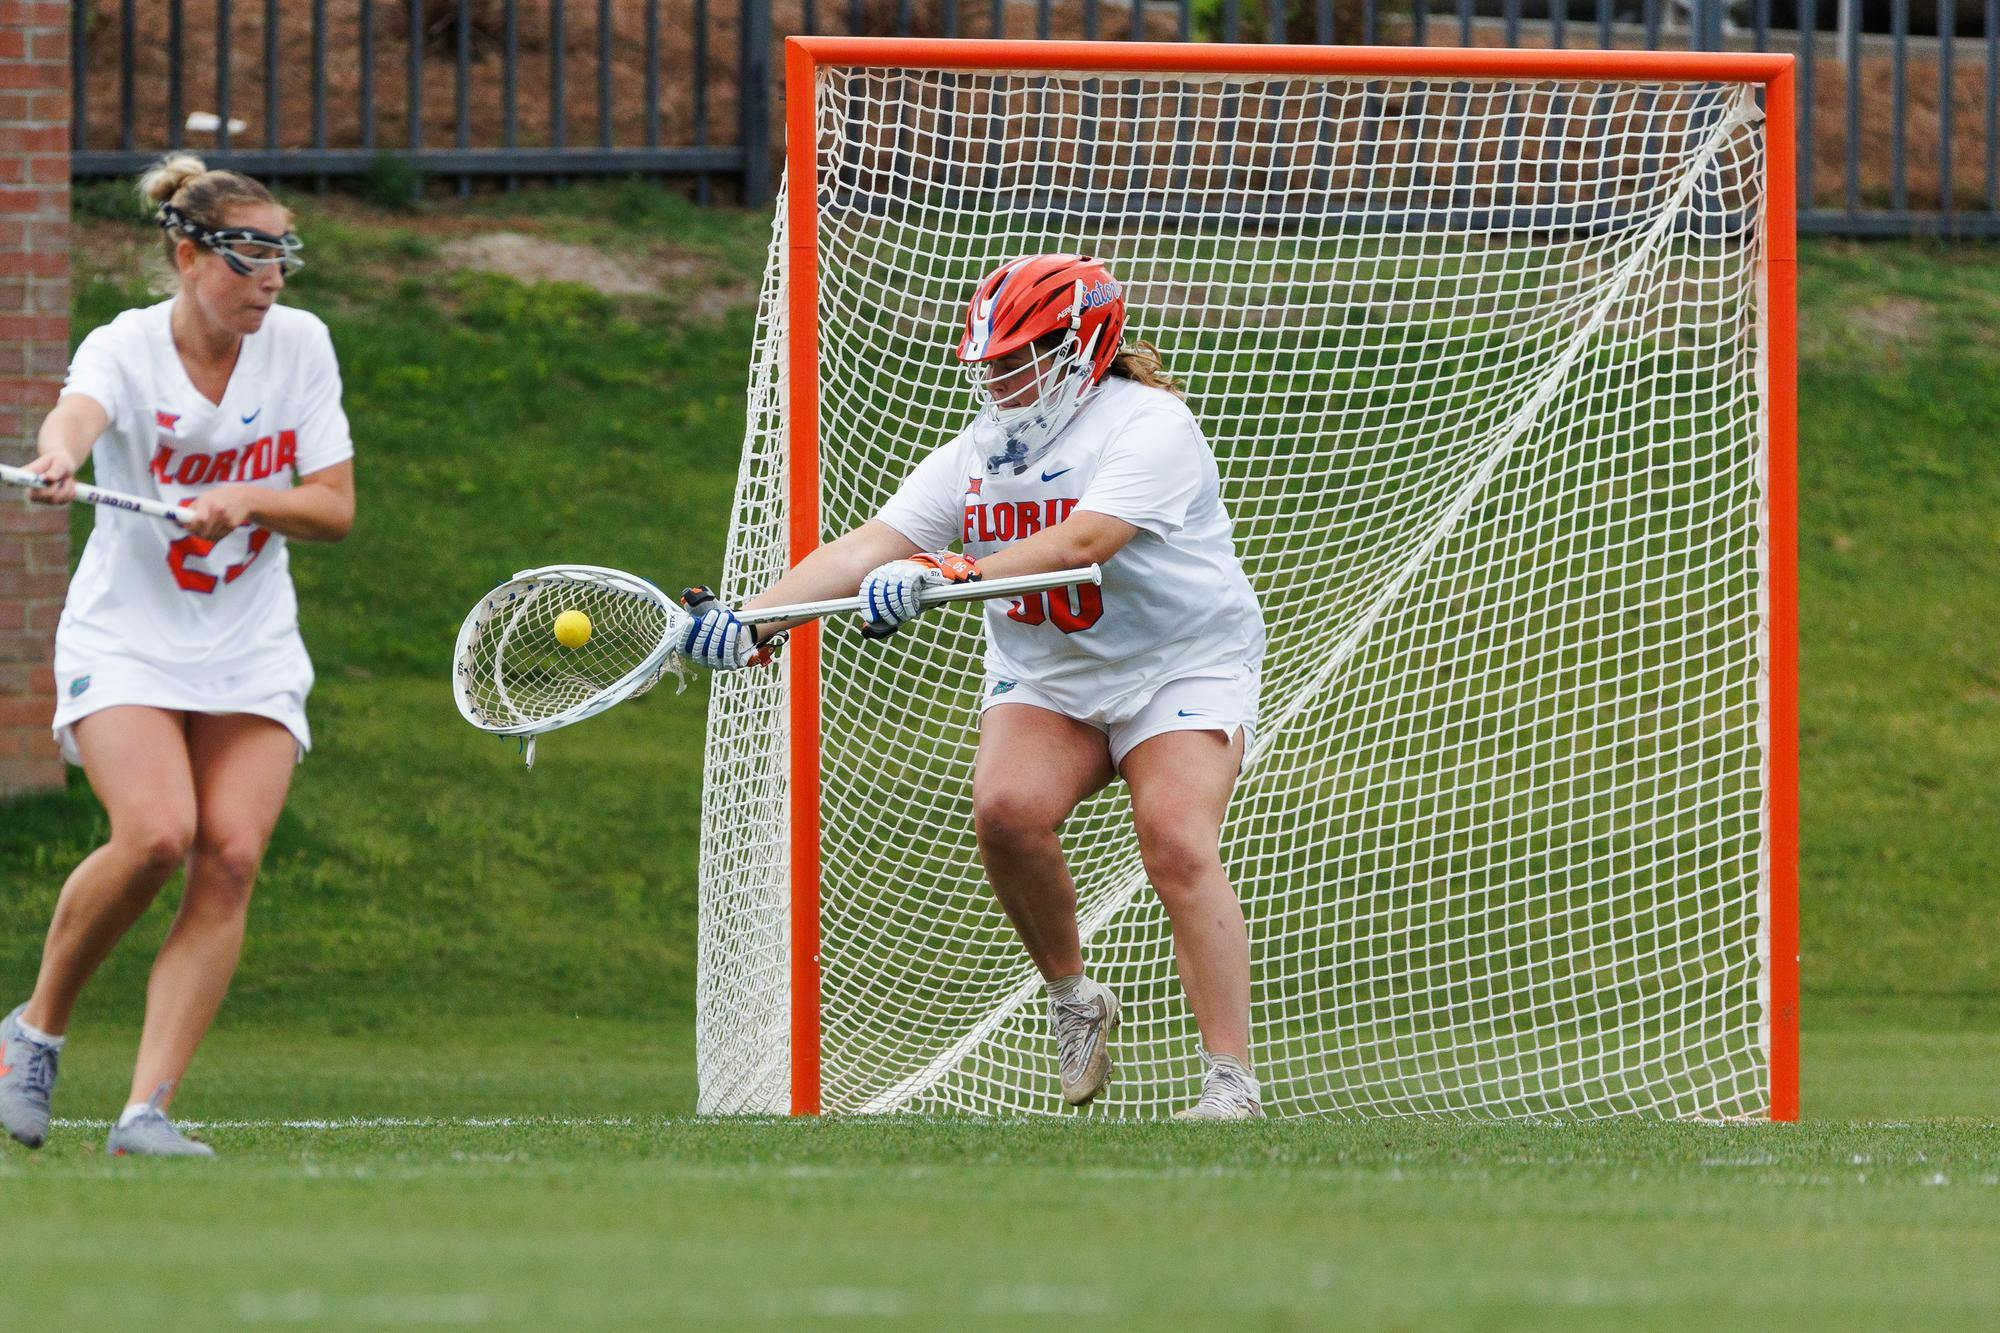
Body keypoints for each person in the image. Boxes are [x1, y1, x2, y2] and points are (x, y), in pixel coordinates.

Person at [681, 254, 1266, 1119]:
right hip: (1051, 673)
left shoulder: (1149, 425)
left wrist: (953, 568)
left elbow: (1083, 544)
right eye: (988, 358)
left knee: (1176, 839)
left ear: (1082, 349)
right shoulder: (980, 450)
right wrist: (754, 618)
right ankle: (1075, 998)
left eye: (1017, 354)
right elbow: (863, 548)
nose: (995, 374)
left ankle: (1230, 1083)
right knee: (1005, 811)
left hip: (1179, 661)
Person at [0, 154, 355, 1157]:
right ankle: (33, 1032)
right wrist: (60, 454)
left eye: (283, 254)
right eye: (250, 254)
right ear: (187, 252)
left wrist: (250, 499)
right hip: (128, 638)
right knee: (156, 834)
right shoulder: (125, 346)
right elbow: (79, 413)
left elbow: (332, 507)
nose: (272, 276)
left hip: (249, 644)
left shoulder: (300, 347)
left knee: (231, 856)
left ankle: (145, 1110)